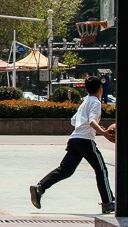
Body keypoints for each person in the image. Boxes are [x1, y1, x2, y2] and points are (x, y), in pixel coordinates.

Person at [30, 75, 114, 213]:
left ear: (86, 89)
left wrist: (93, 128)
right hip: (85, 140)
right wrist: (103, 132)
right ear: (100, 88)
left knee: (66, 170)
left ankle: (40, 187)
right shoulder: (95, 103)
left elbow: (74, 121)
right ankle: (108, 202)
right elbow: (92, 121)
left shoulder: (85, 101)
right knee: (101, 170)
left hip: (75, 139)